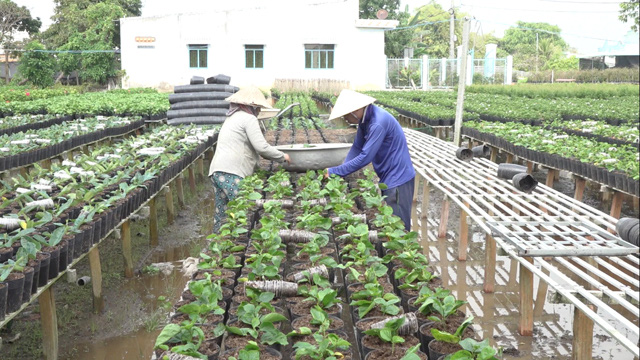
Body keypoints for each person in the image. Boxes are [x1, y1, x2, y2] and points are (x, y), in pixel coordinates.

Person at [324, 89, 415, 231]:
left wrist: (335, 171)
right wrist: (342, 170)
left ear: (357, 109)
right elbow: (356, 148)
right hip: (388, 175)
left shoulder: (377, 123)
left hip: (398, 178)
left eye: (347, 114)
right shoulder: (365, 121)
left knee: (399, 226)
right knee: (391, 221)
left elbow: (365, 157)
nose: (346, 119)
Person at [208, 86, 290, 232]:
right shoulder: (248, 119)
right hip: (232, 173)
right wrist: (282, 156)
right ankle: (241, 240)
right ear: (250, 106)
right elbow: (262, 148)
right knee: (245, 211)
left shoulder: (232, 117)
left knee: (222, 214)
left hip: (217, 171)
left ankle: (217, 247)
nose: (258, 111)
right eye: (257, 107)